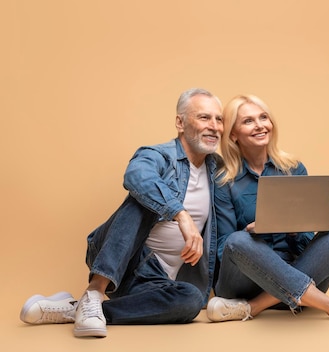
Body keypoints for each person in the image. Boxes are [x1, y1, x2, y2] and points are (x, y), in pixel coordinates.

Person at [19, 88, 224, 337]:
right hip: (124, 258)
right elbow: (136, 175)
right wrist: (181, 215)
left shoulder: (218, 169)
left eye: (219, 119)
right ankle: (95, 289)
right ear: (180, 122)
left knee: (191, 300)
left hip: (153, 283)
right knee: (142, 198)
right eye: (204, 117)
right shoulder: (158, 155)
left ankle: (83, 309)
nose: (214, 126)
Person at [206, 94, 329, 322]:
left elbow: (306, 238)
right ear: (233, 134)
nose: (260, 125)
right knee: (238, 241)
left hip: (294, 269)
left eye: (264, 117)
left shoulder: (293, 168)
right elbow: (225, 248)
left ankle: (254, 307)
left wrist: (292, 230)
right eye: (248, 121)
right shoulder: (224, 180)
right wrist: (251, 233)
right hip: (244, 282)